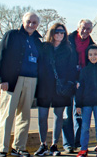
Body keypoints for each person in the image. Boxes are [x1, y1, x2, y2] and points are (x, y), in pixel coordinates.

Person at [0, 12, 43, 157]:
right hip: (12, 80)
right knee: (7, 114)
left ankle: (19, 147)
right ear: (23, 21)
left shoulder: (37, 41)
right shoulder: (12, 35)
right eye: (29, 21)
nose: (31, 25)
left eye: (34, 22)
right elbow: (1, 56)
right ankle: (2, 149)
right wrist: (2, 79)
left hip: (31, 80)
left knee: (25, 116)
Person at [34, 23, 77, 156]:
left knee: (59, 117)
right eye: (57, 31)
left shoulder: (69, 49)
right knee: (42, 117)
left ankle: (54, 145)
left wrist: (69, 83)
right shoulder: (43, 47)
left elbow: (72, 69)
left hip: (61, 87)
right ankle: (43, 145)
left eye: (62, 32)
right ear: (52, 33)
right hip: (44, 86)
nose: (60, 34)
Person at [65, 19, 95, 153]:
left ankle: (77, 142)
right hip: (68, 80)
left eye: (88, 29)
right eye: (83, 28)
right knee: (67, 113)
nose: (85, 31)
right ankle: (67, 144)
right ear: (78, 28)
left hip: (82, 82)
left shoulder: (92, 45)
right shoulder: (67, 41)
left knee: (79, 113)